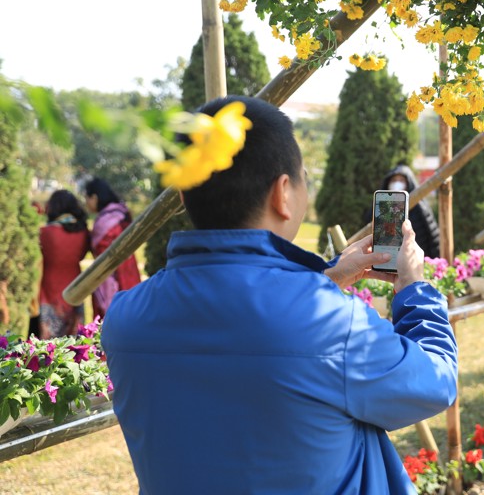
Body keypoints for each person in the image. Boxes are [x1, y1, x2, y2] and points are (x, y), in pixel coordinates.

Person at [101, 96, 458, 494]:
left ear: (184, 195)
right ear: (282, 192)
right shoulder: (330, 321)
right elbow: (435, 381)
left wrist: (325, 279)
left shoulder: (125, 320)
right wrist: (413, 289)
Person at [84, 178, 141, 317]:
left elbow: (102, 253)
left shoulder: (105, 223)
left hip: (111, 279)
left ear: (95, 197)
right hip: (130, 273)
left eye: (87, 198)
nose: (86, 203)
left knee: (110, 322)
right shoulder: (122, 214)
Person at [37, 191, 90, 339]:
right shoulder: (84, 233)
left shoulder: (44, 233)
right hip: (75, 286)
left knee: (48, 346)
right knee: (73, 345)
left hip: (49, 288)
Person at [365, 165, 441, 259]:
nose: (397, 183)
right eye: (394, 180)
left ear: (409, 183)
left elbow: (433, 236)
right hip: (387, 257)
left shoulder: (419, 207)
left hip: (415, 258)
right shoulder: (381, 206)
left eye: (401, 180)